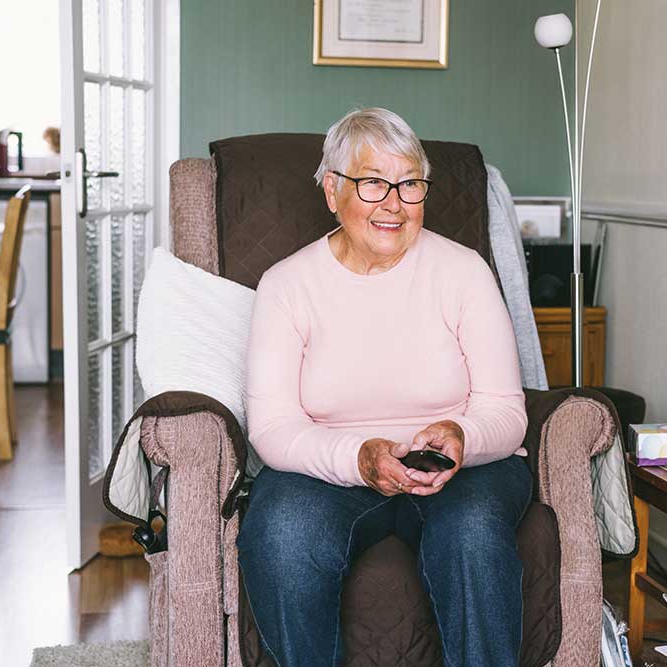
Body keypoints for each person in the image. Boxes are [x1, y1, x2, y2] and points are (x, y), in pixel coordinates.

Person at [238, 107, 530, 667]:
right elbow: (273, 429)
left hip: (460, 467)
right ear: (331, 190)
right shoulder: (286, 286)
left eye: (410, 184)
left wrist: (460, 434)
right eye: (373, 183)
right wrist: (360, 458)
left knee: (471, 534)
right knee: (281, 536)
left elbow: (505, 410)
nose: (394, 204)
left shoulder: (464, 271)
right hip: (328, 466)